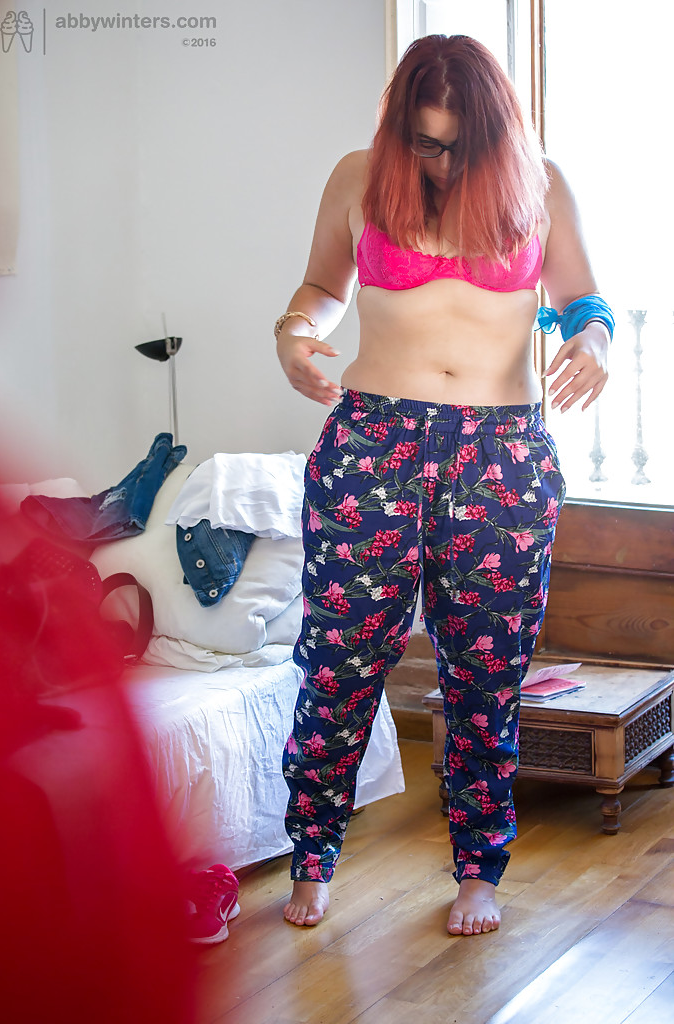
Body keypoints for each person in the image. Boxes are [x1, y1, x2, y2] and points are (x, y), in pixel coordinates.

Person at [275, 34, 613, 937]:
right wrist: (293, 333)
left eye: (457, 145)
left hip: (500, 453)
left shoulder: (540, 184)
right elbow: (319, 287)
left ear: (492, 129)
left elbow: (583, 301)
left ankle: (476, 869)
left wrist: (592, 341)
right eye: (424, 142)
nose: (439, 163)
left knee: (485, 675)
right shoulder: (359, 177)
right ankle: (312, 853)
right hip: (372, 445)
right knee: (339, 661)